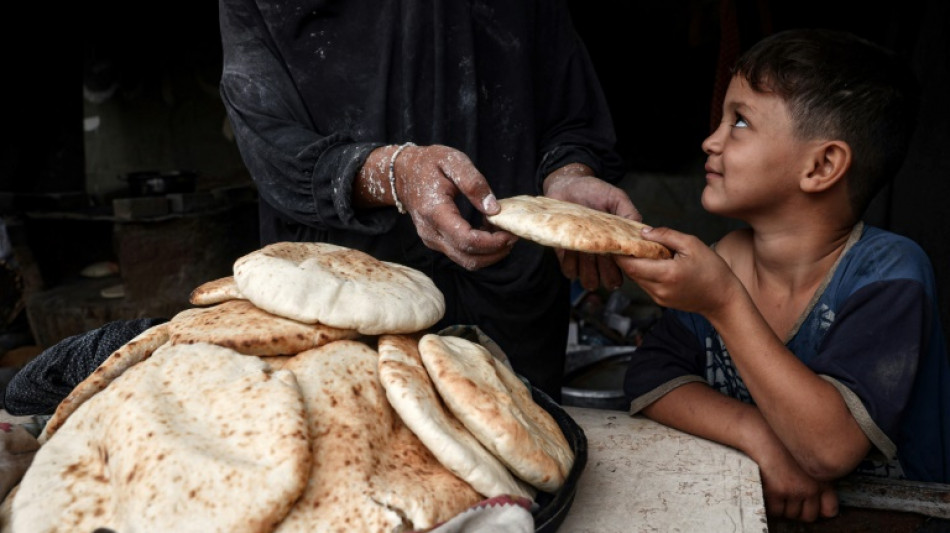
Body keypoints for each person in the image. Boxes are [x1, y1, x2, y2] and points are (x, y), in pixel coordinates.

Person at [216, 0, 639, 400]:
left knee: (519, 441)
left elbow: (570, 114)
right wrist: (392, 174)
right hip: (343, 298)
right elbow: (268, 144)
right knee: (351, 439)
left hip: (512, 302)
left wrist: (568, 175)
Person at [615, 28, 949, 522]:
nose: (710, 141)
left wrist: (723, 302)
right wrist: (757, 435)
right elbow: (649, 379)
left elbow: (829, 449)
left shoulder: (888, 275)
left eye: (740, 121)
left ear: (822, 166)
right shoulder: (723, 261)